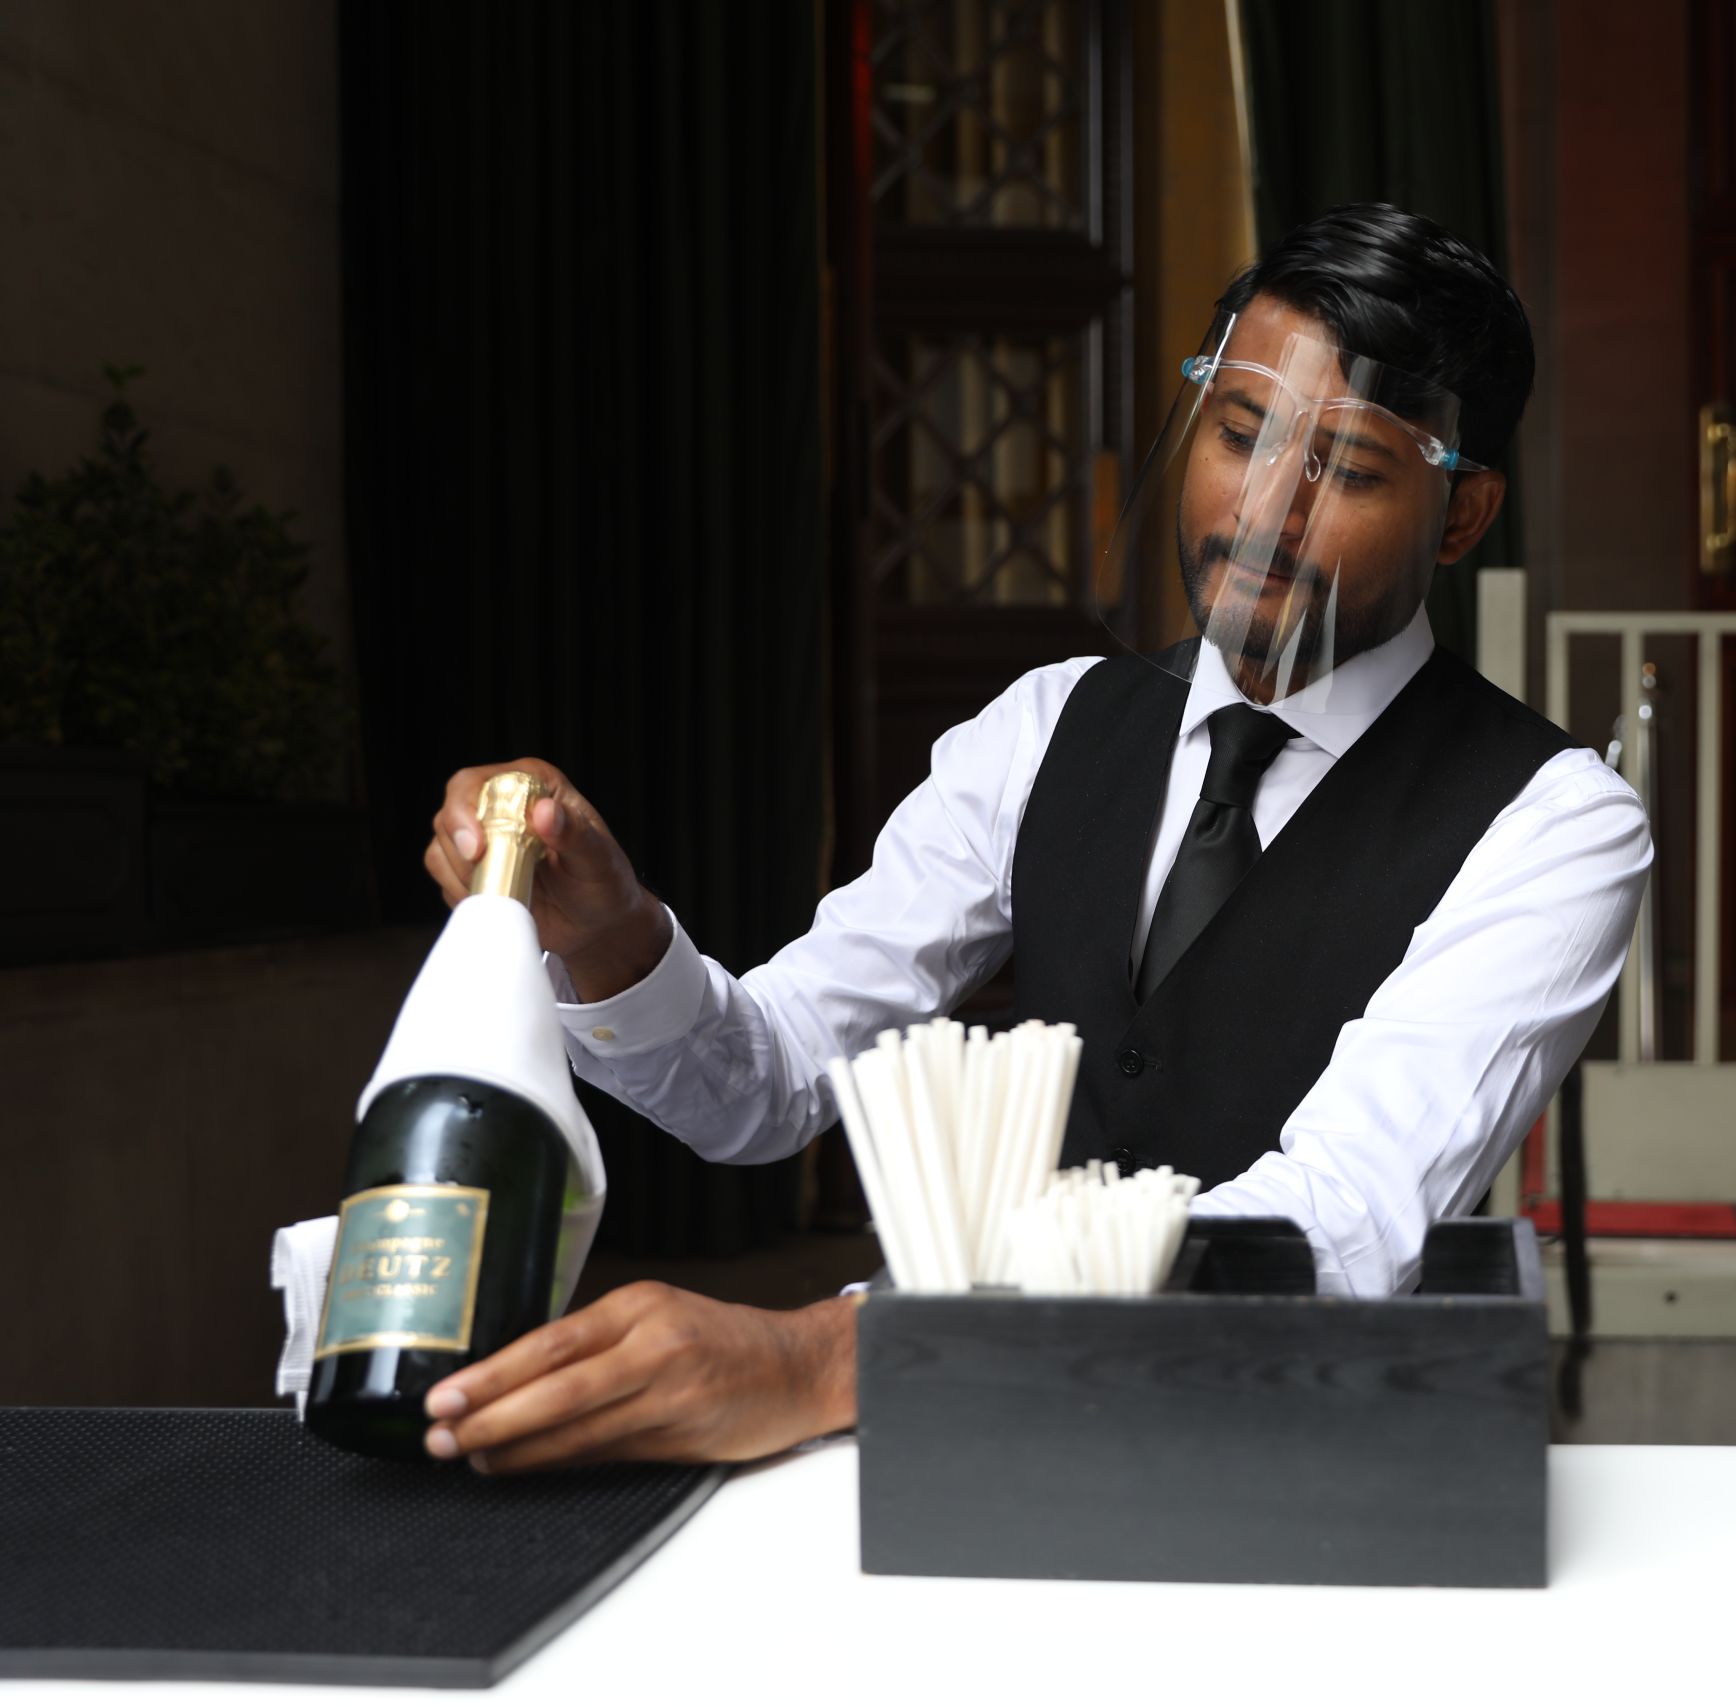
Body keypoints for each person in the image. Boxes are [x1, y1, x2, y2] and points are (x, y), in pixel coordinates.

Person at [410, 203, 1652, 1473]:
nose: (1261, 510)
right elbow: (767, 1081)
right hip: (974, 1445)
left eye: (1344, 466)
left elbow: (1334, 1231)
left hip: (1301, 1470)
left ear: (1459, 516)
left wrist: (828, 1353)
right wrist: (613, 940)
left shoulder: (1553, 824)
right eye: (1239, 433)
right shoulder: (1051, 724)